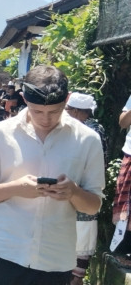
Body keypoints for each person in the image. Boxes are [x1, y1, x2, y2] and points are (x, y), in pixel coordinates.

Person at [0, 65, 104, 285]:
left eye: (55, 111)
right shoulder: (0, 134)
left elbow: (93, 205)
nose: (46, 118)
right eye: (37, 111)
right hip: (0, 252)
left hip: (54, 262)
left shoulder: (88, 140)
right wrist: (17, 188)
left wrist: (73, 192)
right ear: (23, 98)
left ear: (67, 99)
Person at [65, 93, 105, 284]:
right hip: (81, 189)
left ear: (76, 111)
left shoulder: (90, 132)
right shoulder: (97, 128)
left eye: (69, 110)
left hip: (83, 189)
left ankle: (76, 277)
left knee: (81, 233)